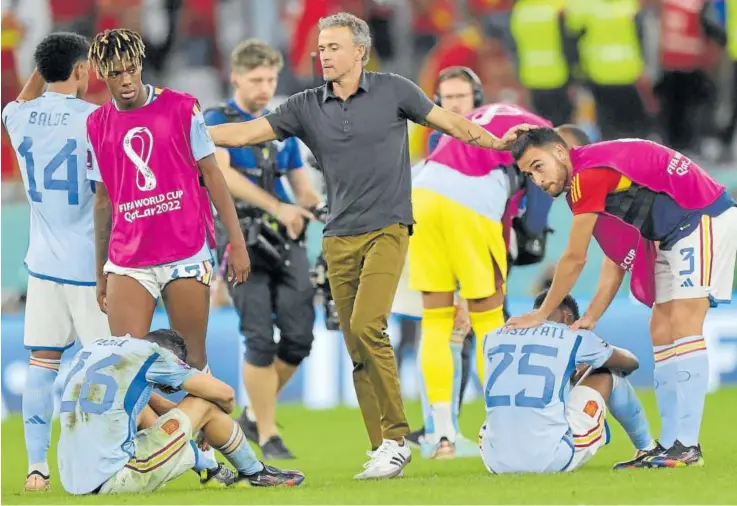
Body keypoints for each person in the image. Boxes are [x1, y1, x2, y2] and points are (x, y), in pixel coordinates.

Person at [208, 12, 533, 479]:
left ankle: (397, 438)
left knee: (366, 323)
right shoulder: (304, 104)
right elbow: (244, 132)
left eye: (333, 47)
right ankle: (381, 446)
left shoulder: (394, 90)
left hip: (389, 228)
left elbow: (451, 123)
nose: (322, 55)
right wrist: (184, 130)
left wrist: (499, 143)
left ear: (360, 52)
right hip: (338, 236)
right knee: (357, 344)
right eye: (320, 48)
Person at [508, 127, 737, 467]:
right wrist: (593, 316)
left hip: (702, 215)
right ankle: (672, 444)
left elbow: (575, 257)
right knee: (661, 327)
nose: (537, 180)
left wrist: (541, 313)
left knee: (684, 322)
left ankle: (686, 446)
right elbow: (616, 256)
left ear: (560, 152)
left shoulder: (586, 177)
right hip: (674, 232)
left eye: (537, 166)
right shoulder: (586, 178)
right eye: (529, 174)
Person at [85, 28, 250, 480]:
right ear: (102, 74)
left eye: (131, 69)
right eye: (115, 73)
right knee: (127, 369)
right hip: (127, 258)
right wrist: (100, 272)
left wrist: (235, 241)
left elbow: (213, 176)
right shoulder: (96, 124)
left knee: (193, 365)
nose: (126, 80)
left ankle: (227, 458)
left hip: (182, 251)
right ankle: (187, 456)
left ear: (142, 63)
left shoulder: (181, 107)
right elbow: (103, 201)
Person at [1, 32, 111, 493]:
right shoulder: (98, 120)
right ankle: (104, 463)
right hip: (89, 264)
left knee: (42, 364)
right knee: (108, 367)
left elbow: (25, 97)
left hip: (43, 263)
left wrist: (45, 68)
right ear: (83, 70)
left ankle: (36, 469)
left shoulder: (17, 116)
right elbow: (105, 198)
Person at [411, 102, 552, 458]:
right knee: (489, 318)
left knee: (435, 319)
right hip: (472, 200)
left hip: (422, 193)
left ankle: (440, 435)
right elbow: (535, 215)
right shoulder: (544, 135)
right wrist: (529, 235)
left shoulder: (484, 114)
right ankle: (506, 429)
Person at [203, 39, 321, 460]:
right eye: (256, 79)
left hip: (284, 237)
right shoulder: (215, 121)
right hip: (239, 239)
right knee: (258, 335)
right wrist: (278, 205)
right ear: (235, 77)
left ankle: (253, 413)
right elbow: (223, 176)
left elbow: (302, 185)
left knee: (299, 337)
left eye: (271, 79)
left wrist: (317, 206)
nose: (265, 87)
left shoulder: (281, 125)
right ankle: (268, 436)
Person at [57, 329, 305, 495]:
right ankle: (255, 473)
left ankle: (212, 471)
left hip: (72, 482)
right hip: (115, 478)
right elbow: (227, 394)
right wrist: (214, 409)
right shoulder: (154, 355)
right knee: (206, 400)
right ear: (169, 355)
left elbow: (146, 413)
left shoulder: (100, 347)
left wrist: (193, 424)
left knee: (143, 413)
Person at [393, 66, 480, 453]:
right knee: (448, 335)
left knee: (473, 338)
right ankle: (442, 427)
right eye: (448, 98)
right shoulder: (433, 142)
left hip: (485, 250)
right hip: (446, 252)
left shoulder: (488, 140)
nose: (456, 104)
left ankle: (447, 428)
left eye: (462, 96)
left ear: (476, 97)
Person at [479, 292, 657, 473]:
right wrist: (593, 353)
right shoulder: (573, 335)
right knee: (608, 373)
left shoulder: (493, 336)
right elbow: (631, 362)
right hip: (551, 457)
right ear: (567, 316)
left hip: (493, 460)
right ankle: (647, 448)